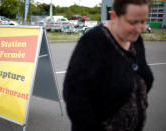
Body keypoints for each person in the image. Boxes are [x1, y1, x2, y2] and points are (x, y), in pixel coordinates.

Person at [63, 0, 154, 130]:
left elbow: (141, 79)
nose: (139, 28)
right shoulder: (93, 42)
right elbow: (74, 98)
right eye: (132, 22)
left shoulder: (136, 40)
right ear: (114, 16)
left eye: (143, 21)